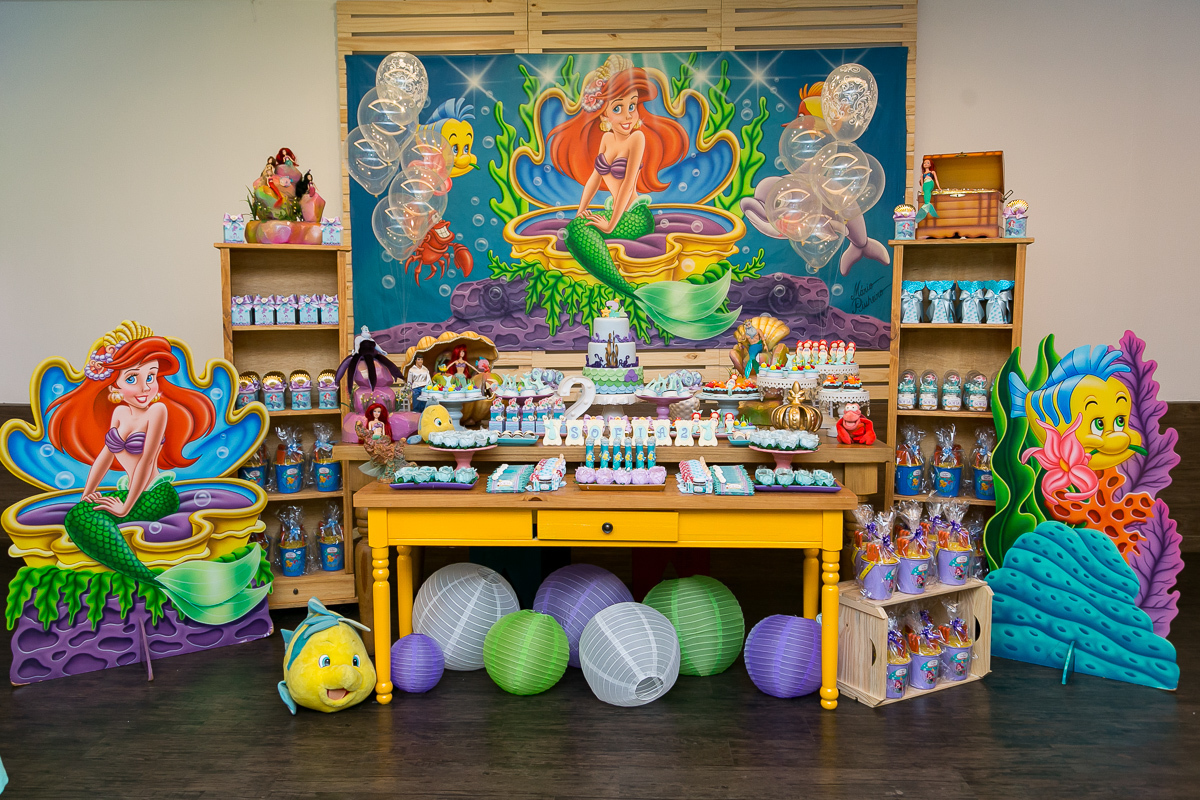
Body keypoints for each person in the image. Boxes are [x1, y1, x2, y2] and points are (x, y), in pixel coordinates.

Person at [45, 321, 266, 624]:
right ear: (114, 386)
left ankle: (151, 580)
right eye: (132, 378)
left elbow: (147, 461)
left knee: (83, 519)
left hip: (158, 494)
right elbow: (104, 457)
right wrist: (87, 494)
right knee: (78, 515)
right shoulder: (119, 413)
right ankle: (148, 576)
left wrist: (125, 506)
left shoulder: (156, 412)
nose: (145, 387)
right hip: (133, 491)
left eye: (150, 376)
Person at [547, 54, 739, 340]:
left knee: (579, 232)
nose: (628, 116)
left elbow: (627, 186)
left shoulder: (637, 139)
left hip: (636, 216)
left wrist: (610, 225)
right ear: (603, 115)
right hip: (618, 212)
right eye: (618, 108)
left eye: (633, 106)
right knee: (577, 229)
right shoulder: (606, 139)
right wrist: (581, 211)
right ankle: (630, 291)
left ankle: (629, 291)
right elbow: (594, 178)